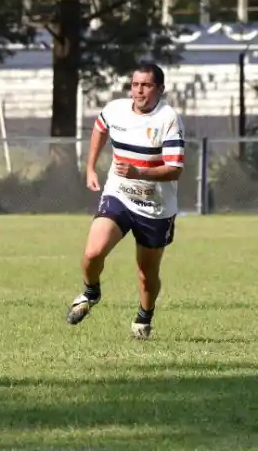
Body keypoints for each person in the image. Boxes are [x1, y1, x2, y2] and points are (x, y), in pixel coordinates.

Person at [66, 62, 184, 339]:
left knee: (146, 273)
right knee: (93, 252)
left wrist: (139, 171)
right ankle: (91, 291)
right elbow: (100, 127)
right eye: (135, 84)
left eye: (146, 85)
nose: (138, 91)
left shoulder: (168, 118)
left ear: (160, 89)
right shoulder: (116, 109)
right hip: (119, 195)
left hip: (156, 208)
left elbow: (175, 169)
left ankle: (143, 319)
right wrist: (91, 167)